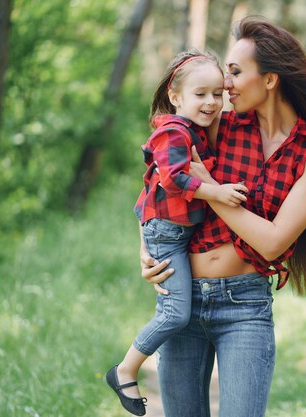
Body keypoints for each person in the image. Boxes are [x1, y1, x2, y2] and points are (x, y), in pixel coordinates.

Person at [140, 16, 306, 417]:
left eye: (235, 72)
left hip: (244, 306)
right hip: (181, 296)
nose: (225, 85)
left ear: (270, 79)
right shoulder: (220, 124)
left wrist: (209, 189)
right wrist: (145, 250)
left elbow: (273, 241)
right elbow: (157, 178)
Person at [105, 50, 248, 416]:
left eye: (218, 93)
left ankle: (127, 368)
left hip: (176, 236)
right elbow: (170, 179)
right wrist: (216, 190)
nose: (212, 102)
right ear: (175, 95)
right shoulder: (173, 132)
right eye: (200, 94)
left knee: (176, 311)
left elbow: (147, 188)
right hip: (168, 236)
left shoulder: (193, 132)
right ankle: (125, 370)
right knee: (175, 314)